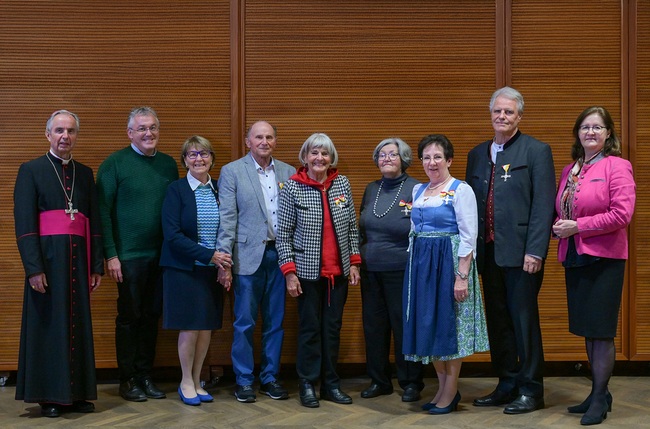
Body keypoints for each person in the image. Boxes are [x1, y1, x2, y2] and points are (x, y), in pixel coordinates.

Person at [465, 87, 556, 414]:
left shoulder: (536, 151)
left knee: (523, 322)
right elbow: (468, 207)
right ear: (490, 114)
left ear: (519, 116)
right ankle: (507, 382)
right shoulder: (476, 154)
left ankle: (532, 389)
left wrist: (536, 251)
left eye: (509, 112)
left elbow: (544, 206)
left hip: (522, 256)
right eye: (497, 111)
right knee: (499, 322)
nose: (502, 116)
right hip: (487, 255)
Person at [14, 110, 104, 418]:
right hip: (48, 262)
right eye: (59, 130)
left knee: (77, 324)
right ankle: (50, 395)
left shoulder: (85, 172)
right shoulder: (31, 170)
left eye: (71, 131)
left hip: (78, 262)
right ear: (48, 135)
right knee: (49, 326)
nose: (65, 136)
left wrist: (95, 265)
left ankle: (77, 393)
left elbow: (94, 222)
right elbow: (24, 224)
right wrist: (33, 268)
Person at [552, 107, 635, 426]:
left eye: (597, 128)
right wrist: (559, 227)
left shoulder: (618, 166)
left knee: (601, 332)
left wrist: (578, 226)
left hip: (605, 259)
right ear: (577, 133)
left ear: (608, 134)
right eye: (585, 127)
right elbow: (561, 209)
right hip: (574, 256)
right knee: (588, 329)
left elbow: (621, 215)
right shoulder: (569, 170)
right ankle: (598, 390)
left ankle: (600, 397)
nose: (590, 132)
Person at [402, 134, 489, 415]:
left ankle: (450, 391)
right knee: (430, 326)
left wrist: (461, 276)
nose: (432, 162)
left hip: (449, 265)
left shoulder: (460, 190)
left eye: (437, 157)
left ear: (449, 160)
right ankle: (442, 389)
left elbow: (469, 235)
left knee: (448, 328)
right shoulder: (417, 191)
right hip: (423, 267)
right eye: (426, 157)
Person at [97, 106, 178, 402]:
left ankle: (145, 375)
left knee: (151, 316)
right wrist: (111, 255)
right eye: (142, 128)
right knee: (129, 317)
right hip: (128, 257)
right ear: (130, 132)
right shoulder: (114, 164)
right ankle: (127, 378)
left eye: (153, 127)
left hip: (161, 257)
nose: (148, 133)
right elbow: (102, 213)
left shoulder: (169, 165)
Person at [277, 132, 361, 408]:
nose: (319, 158)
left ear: (331, 158)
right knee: (310, 329)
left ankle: (331, 385)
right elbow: (284, 234)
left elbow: (351, 227)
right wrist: (289, 272)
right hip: (306, 275)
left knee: (332, 329)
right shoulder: (292, 187)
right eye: (314, 152)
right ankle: (307, 384)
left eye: (324, 153)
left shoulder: (342, 184)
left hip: (338, 274)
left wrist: (354, 262)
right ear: (305, 157)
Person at [216, 120, 295, 403]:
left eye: (269, 137)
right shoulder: (232, 171)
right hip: (246, 257)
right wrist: (224, 262)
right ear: (248, 141)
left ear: (275, 141)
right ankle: (244, 380)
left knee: (276, 322)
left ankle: (271, 378)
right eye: (258, 137)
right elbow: (227, 219)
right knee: (244, 322)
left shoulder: (289, 172)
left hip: (280, 256)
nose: (264, 141)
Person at [160, 136, 233, 406]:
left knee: (205, 328)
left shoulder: (220, 190)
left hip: (212, 271)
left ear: (212, 158)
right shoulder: (176, 190)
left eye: (203, 154)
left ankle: (197, 379)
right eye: (192, 155)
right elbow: (172, 235)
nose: (198, 159)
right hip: (184, 269)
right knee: (190, 329)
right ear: (184, 161)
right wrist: (210, 255)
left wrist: (222, 264)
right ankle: (186, 381)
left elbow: (228, 228)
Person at [358, 137, 424, 402]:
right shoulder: (371, 189)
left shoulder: (416, 188)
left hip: (403, 270)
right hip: (370, 270)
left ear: (404, 160)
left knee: (403, 326)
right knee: (374, 327)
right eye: (382, 155)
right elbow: (361, 228)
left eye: (392, 155)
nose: (386, 159)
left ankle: (411, 382)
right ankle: (379, 380)